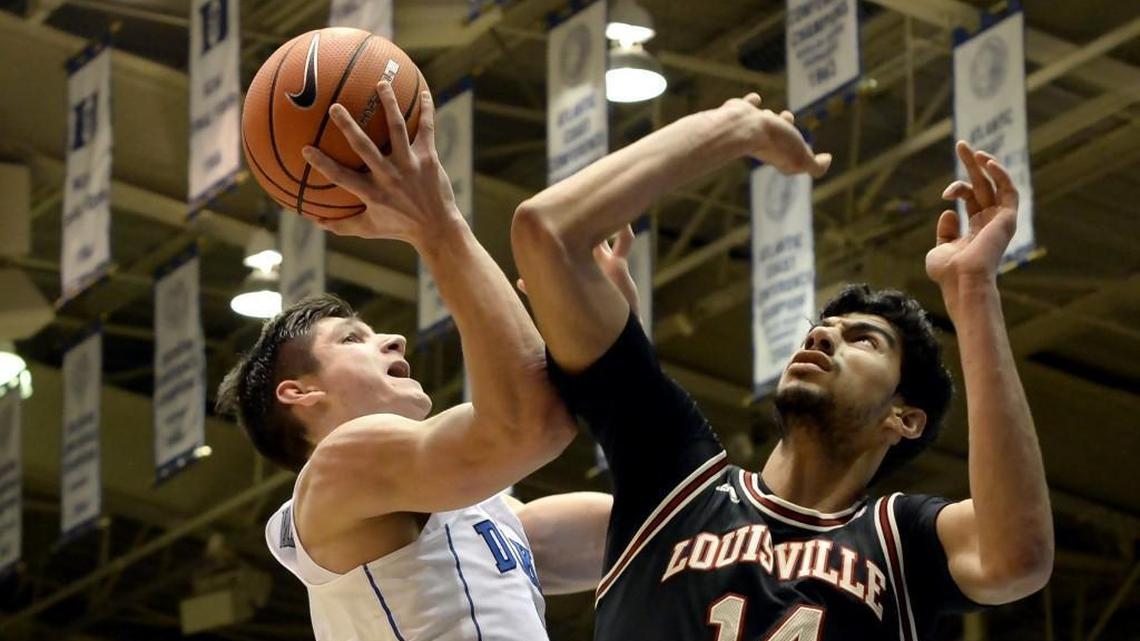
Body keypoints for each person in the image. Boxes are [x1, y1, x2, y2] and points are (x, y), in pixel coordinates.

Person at [511, 92, 1053, 640]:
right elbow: (545, 233)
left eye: (864, 340)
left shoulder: (898, 540)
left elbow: (1018, 556)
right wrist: (729, 130)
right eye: (823, 329)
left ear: (904, 417)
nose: (822, 336)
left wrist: (974, 288)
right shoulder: (676, 481)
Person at [216, 81, 613, 641]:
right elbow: (531, 422)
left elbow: (667, 530)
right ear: (298, 392)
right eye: (353, 340)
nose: (395, 340)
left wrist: (619, 347)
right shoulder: (336, 472)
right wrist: (437, 226)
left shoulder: (492, 516)